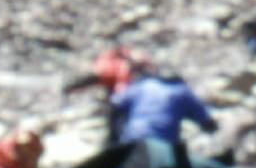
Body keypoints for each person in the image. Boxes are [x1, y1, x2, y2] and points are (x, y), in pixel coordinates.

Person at [81, 49, 219, 155]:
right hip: (163, 145)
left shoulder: (143, 85)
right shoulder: (182, 91)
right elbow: (206, 122)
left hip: (132, 139)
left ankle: (110, 149)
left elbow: (115, 103)